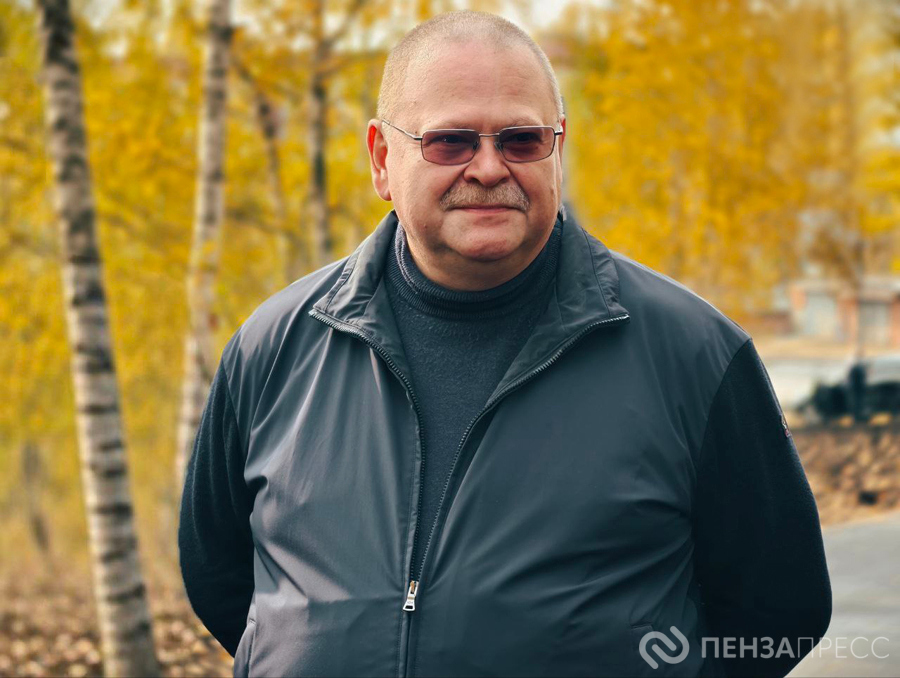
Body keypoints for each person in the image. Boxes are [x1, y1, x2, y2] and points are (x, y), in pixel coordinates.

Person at [178, 10, 832, 678]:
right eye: (450, 142)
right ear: (381, 159)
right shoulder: (273, 349)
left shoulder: (694, 355)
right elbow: (224, 581)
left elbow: (782, 610)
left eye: (522, 140)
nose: (489, 168)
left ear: (558, 149)